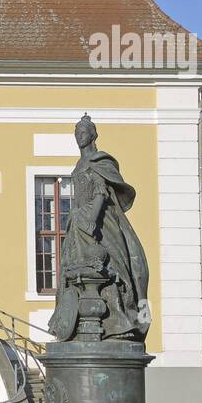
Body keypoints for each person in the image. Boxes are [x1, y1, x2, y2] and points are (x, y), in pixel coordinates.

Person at [48, 115, 150, 342]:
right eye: (76, 133)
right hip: (78, 219)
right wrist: (79, 220)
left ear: (93, 135)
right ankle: (74, 324)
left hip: (100, 221)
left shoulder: (101, 161)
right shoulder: (79, 165)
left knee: (113, 266)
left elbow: (101, 193)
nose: (79, 136)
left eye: (83, 132)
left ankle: (121, 321)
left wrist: (91, 220)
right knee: (74, 267)